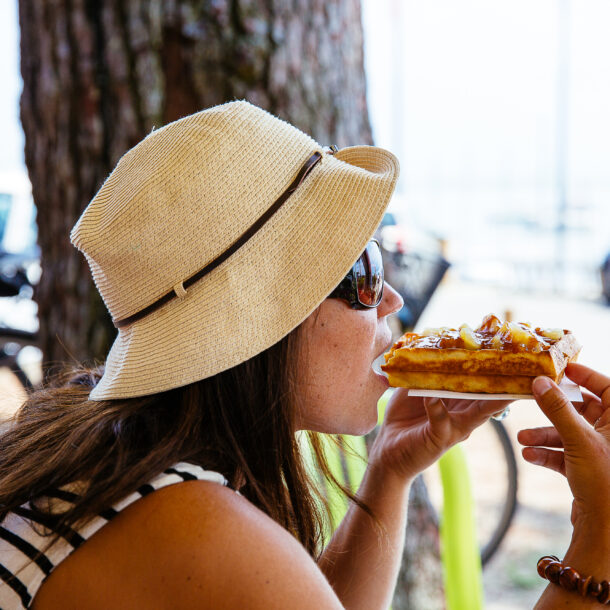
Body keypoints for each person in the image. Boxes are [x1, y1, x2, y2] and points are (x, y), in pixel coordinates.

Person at [0, 101, 607, 609]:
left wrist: (389, 474)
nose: (392, 297)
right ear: (265, 317)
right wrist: (599, 537)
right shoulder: (192, 526)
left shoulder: (112, 452)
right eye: (362, 271)